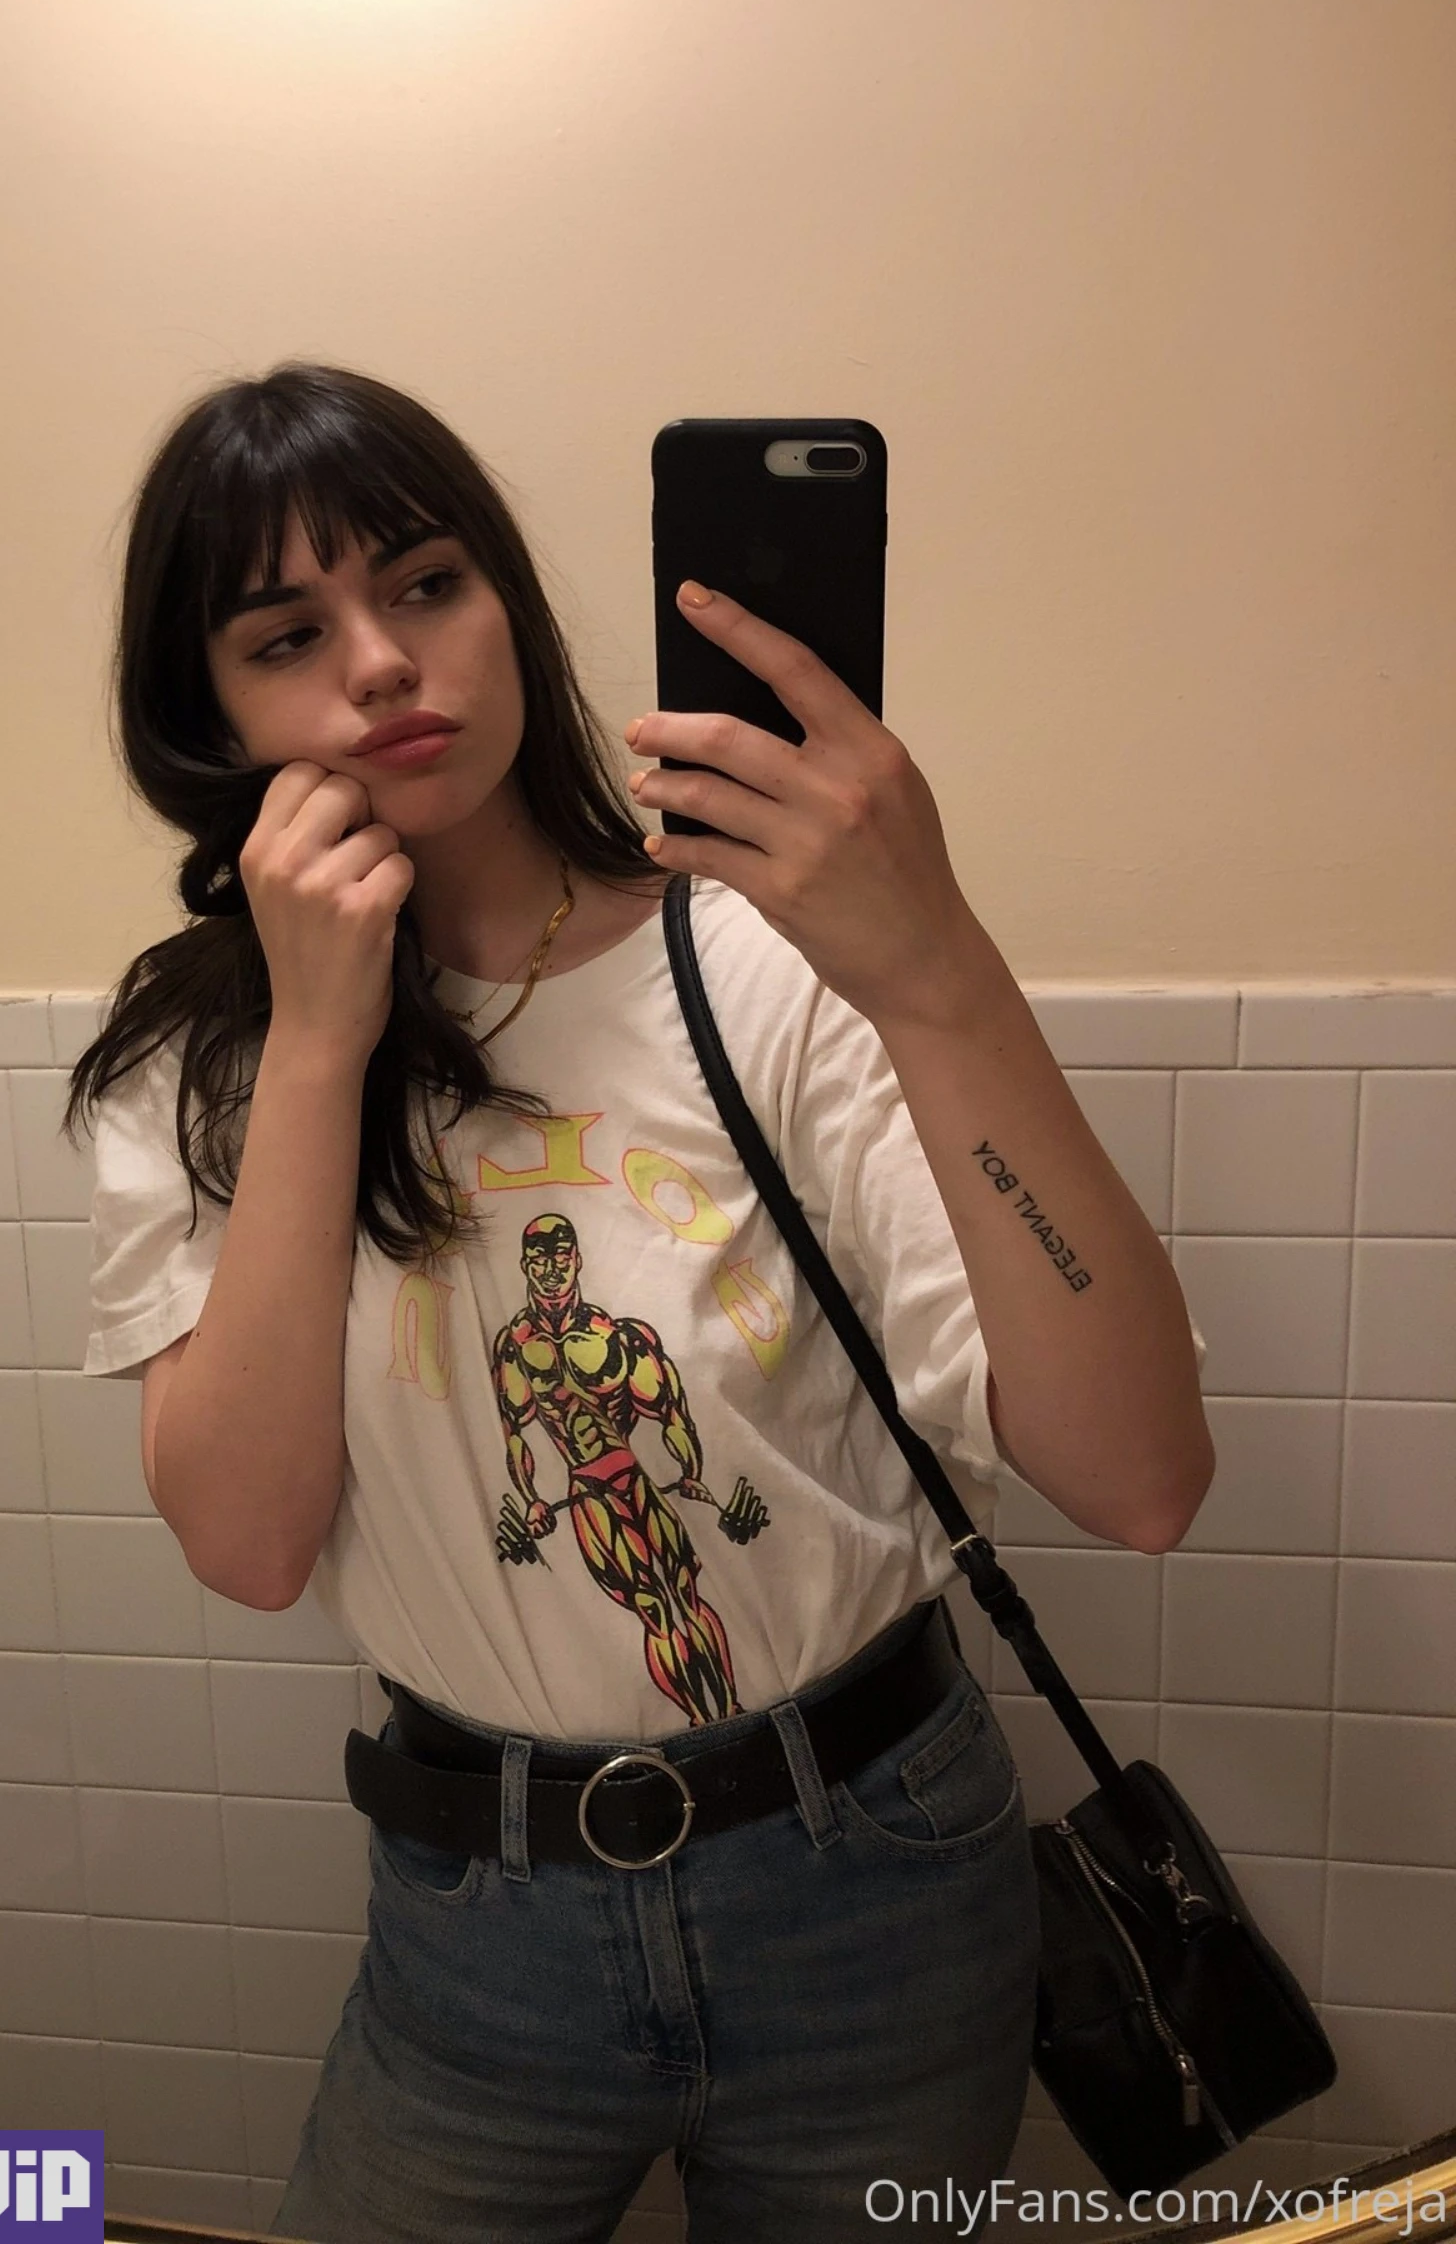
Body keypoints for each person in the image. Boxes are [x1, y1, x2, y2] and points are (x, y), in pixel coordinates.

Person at [68, 362, 1213, 2244]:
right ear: (212, 716)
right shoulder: (201, 1066)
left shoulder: (773, 960)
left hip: (876, 1885)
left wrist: (936, 967)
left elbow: (1143, 1479)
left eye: (426, 583)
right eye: (288, 634)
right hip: (479, 1924)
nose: (382, 661)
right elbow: (250, 1543)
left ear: (507, 599)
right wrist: (320, 1044)